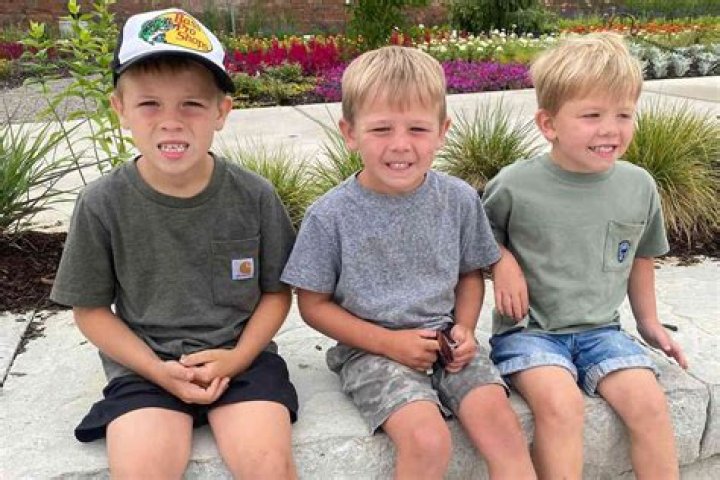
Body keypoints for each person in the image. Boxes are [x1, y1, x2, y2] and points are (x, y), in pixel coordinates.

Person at [50, 9, 298, 478]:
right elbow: (91, 310)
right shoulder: (101, 203)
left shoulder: (254, 195)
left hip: (243, 360)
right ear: (120, 109)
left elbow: (276, 292)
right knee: (142, 468)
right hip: (145, 367)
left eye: (191, 104)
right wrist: (155, 368)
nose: (171, 122)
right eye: (149, 104)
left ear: (221, 112)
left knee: (268, 465)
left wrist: (239, 357)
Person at [281, 46, 536, 480]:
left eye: (418, 129)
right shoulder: (330, 215)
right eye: (381, 129)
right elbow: (313, 305)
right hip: (371, 352)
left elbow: (469, 274)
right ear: (350, 132)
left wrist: (465, 328)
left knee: (502, 427)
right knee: (427, 440)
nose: (400, 145)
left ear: (442, 131)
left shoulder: (458, 199)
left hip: (447, 342)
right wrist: (388, 343)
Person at [483, 32, 688, 480]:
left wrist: (649, 323)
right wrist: (501, 261)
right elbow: (477, 239)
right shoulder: (514, 185)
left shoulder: (638, 186)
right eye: (592, 115)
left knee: (650, 403)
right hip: (530, 334)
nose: (610, 129)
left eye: (623, 114)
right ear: (548, 124)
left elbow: (641, 256)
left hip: (602, 331)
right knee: (562, 405)